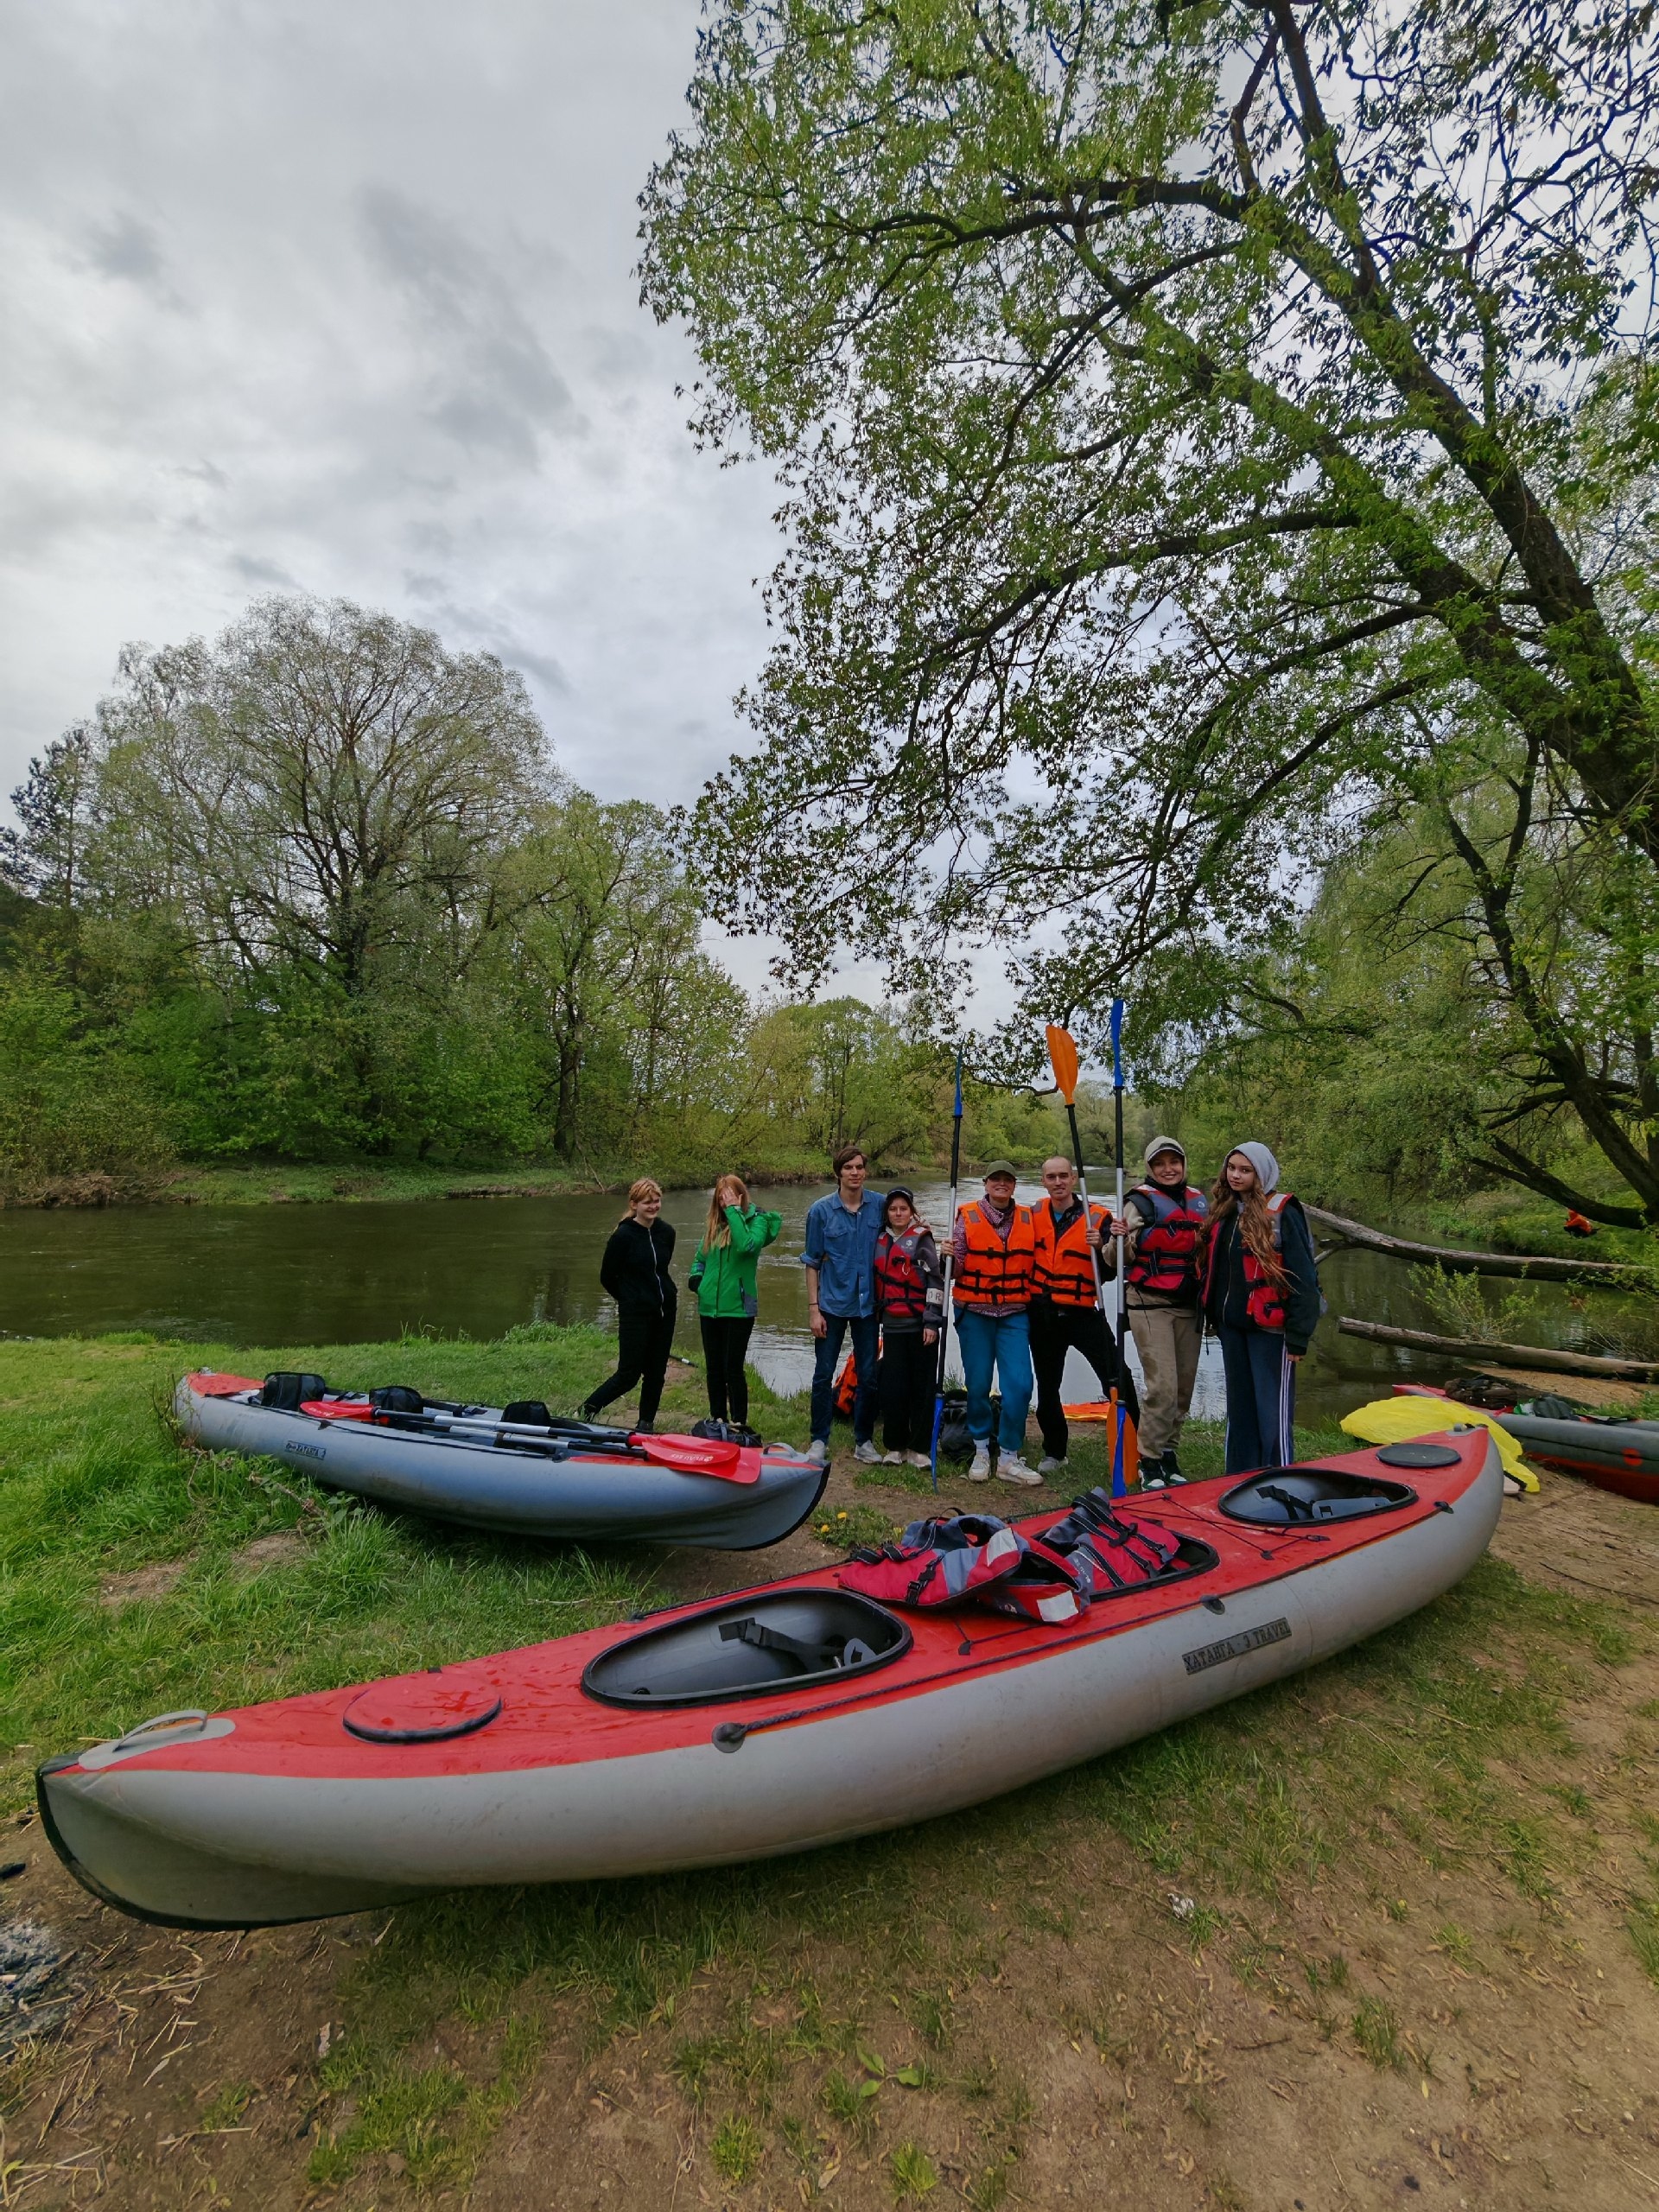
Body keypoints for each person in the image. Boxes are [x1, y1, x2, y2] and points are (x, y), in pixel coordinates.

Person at [1198, 1141, 1320, 1474]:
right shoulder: (1224, 1210)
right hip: (1232, 1328)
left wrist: (1298, 1336)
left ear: (1261, 1173)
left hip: (1271, 1331)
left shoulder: (1283, 1212)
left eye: (1245, 1170)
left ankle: (1280, 1477)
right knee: (1240, 1411)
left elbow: (1303, 1277)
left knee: (1272, 1412)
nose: (1235, 1175)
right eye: (1231, 1168)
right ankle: (1238, 1478)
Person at [1113, 1136, 1208, 1485]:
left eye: (1174, 1162)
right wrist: (1119, 1238)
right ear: (1150, 1168)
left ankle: (1169, 1451)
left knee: (1182, 1390)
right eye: (1160, 1164)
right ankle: (1149, 1459)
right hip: (1148, 1303)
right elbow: (1114, 1259)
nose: (1169, 1169)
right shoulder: (1137, 1204)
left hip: (1188, 1306)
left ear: (1183, 1164)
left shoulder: (1200, 1202)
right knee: (1163, 1388)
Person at [951, 1160, 1039, 1484]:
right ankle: (980, 1449)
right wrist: (948, 1256)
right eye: (995, 1179)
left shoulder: (1030, 1218)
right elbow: (956, 1270)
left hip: (1014, 1313)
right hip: (975, 1313)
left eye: (1008, 1180)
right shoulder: (966, 1217)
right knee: (978, 1384)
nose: (1001, 1184)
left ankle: (1008, 1456)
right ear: (986, 1184)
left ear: (1014, 1185)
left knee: (1020, 1385)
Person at [803, 1144, 889, 1465]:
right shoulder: (820, 1211)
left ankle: (863, 1441)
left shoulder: (880, 1205)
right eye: (848, 1167)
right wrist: (813, 1308)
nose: (855, 1173)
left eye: (859, 1167)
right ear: (838, 1172)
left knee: (868, 1376)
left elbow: (905, 1230)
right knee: (823, 1374)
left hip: (868, 1306)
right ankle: (818, 1440)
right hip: (831, 1305)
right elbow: (812, 1262)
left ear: (865, 1171)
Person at [1027, 1155, 1114, 1477]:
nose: (1058, 1182)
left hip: (1082, 1312)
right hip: (1043, 1313)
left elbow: (1109, 1272)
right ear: (1043, 1181)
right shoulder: (1032, 1214)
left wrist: (1101, 1246)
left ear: (1073, 1178)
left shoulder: (1098, 1217)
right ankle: (1055, 1451)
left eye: (1063, 1176)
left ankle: (1138, 1446)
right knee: (1047, 1385)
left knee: (1115, 1376)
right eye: (1051, 1177)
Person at [581, 1179, 677, 1432]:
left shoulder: (667, 1232)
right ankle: (587, 1409)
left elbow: (661, 1269)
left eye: (657, 1201)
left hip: (665, 1312)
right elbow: (607, 1276)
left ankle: (645, 1424)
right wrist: (630, 1299)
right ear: (634, 1205)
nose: (653, 1206)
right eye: (647, 1202)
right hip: (635, 1314)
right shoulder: (623, 1236)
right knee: (628, 1374)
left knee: (656, 1373)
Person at [689, 1174, 781, 1429]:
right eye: (721, 1197)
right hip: (710, 1307)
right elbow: (699, 1259)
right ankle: (718, 1418)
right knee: (714, 1368)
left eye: (729, 1196)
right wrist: (697, 1281)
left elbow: (747, 1246)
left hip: (740, 1308)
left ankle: (739, 1422)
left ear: (741, 1195)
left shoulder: (758, 1221)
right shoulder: (713, 1226)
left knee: (733, 1368)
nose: (724, 1202)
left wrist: (734, 1212)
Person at [874, 1186, 944, 1467]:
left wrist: (932, 1321)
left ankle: (919, 1449)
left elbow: (935, 1282)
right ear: (887, 1213)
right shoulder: (879, 1239)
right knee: (894, 1388)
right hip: (892, 1326)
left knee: (922, 1388)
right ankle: (895, 1447)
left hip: (920, 1327)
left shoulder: (922, 1240)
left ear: (912, 1212)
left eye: (903, 1209)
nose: (898, 1213)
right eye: (893, 1209)